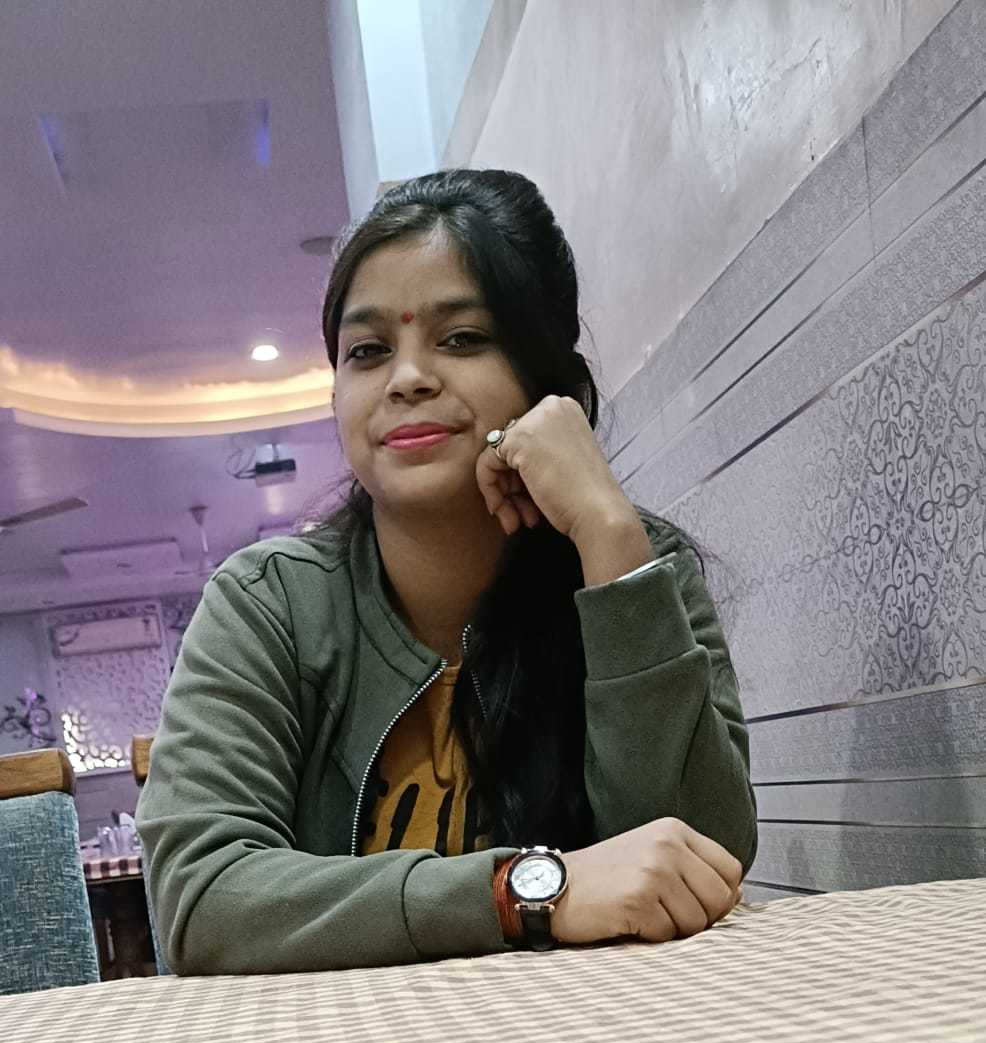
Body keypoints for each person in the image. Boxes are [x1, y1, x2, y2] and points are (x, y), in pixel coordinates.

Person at [137, 169, 757, 974]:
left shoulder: (638, 564)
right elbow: (202, 897)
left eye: (461, 338)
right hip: (341, 1042)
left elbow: (701, 861)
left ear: (548, 382)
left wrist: (609, 539)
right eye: (367, 351)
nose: (407, 378)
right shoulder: (270, 606)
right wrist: (525, 892)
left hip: (604, 1033)